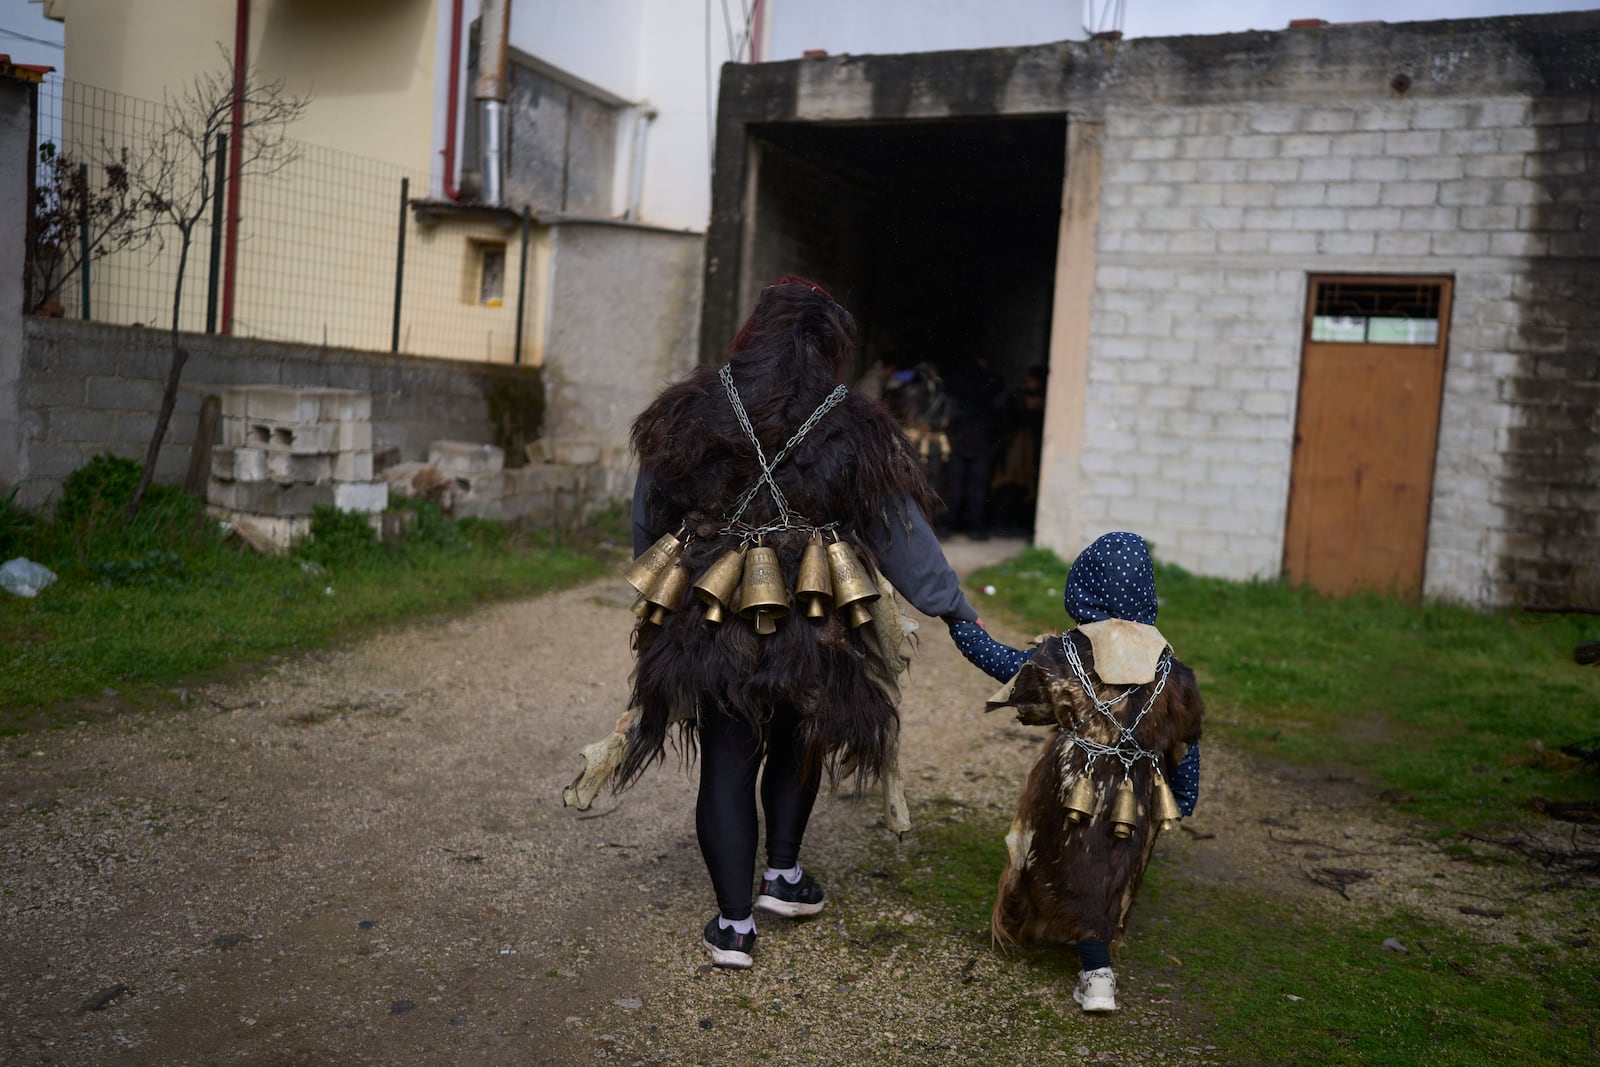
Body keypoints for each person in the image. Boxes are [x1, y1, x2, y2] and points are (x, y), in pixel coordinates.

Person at [620, 277, 982, 969]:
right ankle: (782, 876)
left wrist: (657, 581)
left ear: (756, 332)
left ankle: (733, 927)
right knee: (799, 734)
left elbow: (649, 507)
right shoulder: (851, 420)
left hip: (711, 614)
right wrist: (952, 605)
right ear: (825, 346)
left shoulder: (692, 404)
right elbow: (900, 530)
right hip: (817, 615)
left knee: (727, 756)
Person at [946, 532, 1203, 1012]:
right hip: (1137, 790)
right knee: (1112, 869)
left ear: (1084, 586)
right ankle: (1084, 958)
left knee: (1062, 856)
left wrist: (961, 624)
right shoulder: (1171, 670)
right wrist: (1184, 796)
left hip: (1072, 781)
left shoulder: (1066, 655)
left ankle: (1097, 974)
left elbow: (1004, 664)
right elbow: (1186, 742)